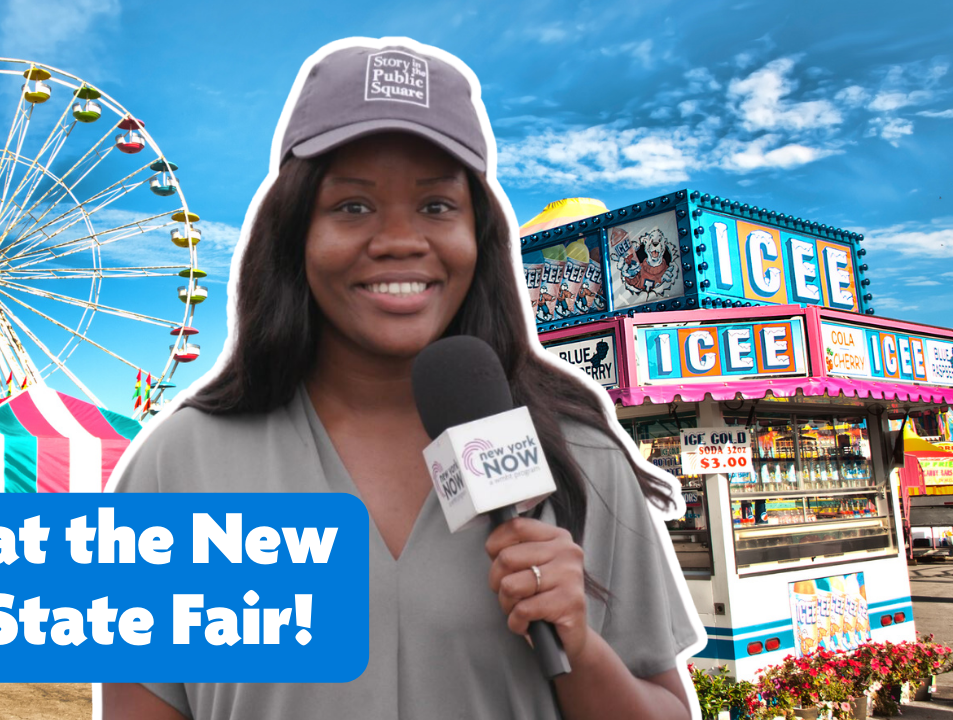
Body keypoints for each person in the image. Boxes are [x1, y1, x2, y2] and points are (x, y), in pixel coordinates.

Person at [102, 37, 702, 720]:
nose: (398, 240)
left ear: (481, 236)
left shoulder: (580, 456)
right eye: (352, 206)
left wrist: (579, 647)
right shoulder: (179, 465)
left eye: (437, 206)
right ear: (294, 232)